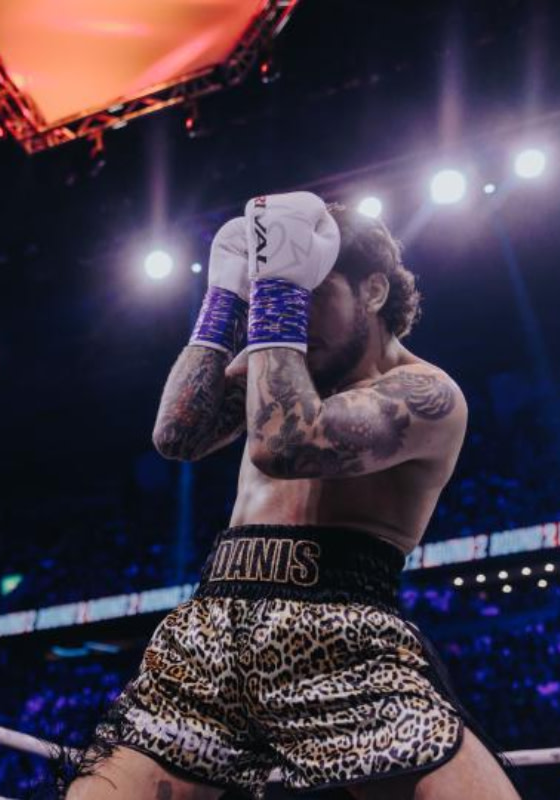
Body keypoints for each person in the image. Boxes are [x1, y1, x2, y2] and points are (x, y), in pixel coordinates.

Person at [66, 192, 516, 799]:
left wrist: (277, 287)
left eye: (311, 295)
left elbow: (285, 445)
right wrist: (224, 300)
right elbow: (177, 435)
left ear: (374, 291)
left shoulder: (425, 393)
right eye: (280, 299)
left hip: (345, 641)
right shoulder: (280, 364)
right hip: (210, 632)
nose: (290, 318)